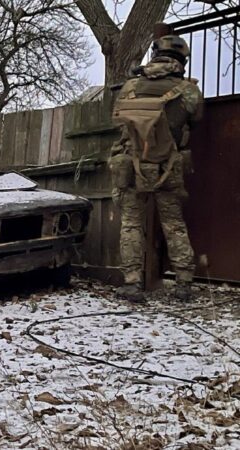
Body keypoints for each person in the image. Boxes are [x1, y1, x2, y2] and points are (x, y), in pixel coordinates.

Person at [110, 34, 203, 303]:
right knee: (174, 224)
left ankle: (132, 284)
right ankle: (184, 284)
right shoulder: (188, 90)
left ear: (154, 54)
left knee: (131, 225)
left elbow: (118, 122)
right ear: (182, 60)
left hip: (132, 165)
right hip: (168, 167)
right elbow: (196, 119)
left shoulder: (130, 85)